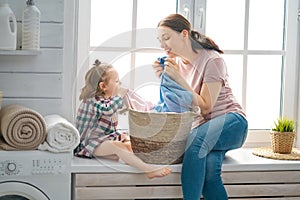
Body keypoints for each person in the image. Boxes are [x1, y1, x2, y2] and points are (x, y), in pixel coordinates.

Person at [153, 14, 248, 199]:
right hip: (205, 129)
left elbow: (205, 107)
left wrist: (179, 78)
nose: (162, 45)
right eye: (160, 40)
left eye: (166, 38)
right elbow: (182, 105)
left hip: (233, 123)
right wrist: (165, 79)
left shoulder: (212, 60)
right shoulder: (177, 63)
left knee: (195, 143)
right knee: (210, 173)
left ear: (184, 34)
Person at [74, 59, 172, 179]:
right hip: (88, 144)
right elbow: (107, 110)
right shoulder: (93, 101)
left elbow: (112, 111)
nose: (120, 85)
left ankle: (134, 159)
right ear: (103, 86)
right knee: (116, 147)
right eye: (117, 82)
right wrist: (120, 95)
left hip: (103, 139)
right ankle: (148, 170)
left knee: (130, 145)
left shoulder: (107, 101)